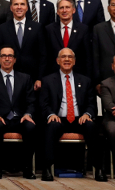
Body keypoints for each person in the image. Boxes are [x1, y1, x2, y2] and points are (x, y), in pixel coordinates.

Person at [39, 48, 103, 182]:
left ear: (74, 61)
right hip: (59, 118)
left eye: (70, 57)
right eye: (63, 57)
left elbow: (92, 104)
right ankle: (47, 168)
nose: (66, 60)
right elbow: (43, 104)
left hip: (79, 119)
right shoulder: (48, 80)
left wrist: (87, 114)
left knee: (92, 126)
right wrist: (50, 114)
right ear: (58, 61)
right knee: (50, 126)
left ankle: (98, 168)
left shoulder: (85, 80)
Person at [0, 48, 37, 179]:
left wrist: (28, 114)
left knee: (31, 127)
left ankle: (27, 169)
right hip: (0, 118)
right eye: (4, 56)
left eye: (10, 56)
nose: (7, 59)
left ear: (14, 59)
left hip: (20, 118)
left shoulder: (25, 78)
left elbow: (31, 102)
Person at [0, 0, 47, 87]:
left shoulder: (37, 27)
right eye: (16, 4)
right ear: (11, 8)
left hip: (32, 78)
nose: (19, 7)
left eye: (22, 4)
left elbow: (43, 55)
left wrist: (39, 78)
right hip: (9, 78)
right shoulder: (2, 28)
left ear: (27, 7)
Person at [43, 0, 93, 78]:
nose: (64, 10)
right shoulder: (49, 29)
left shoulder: (83, 29)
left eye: (67, 7)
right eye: (61, 8)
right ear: (58, 12)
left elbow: (88, 57)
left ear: (73, 10)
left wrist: (89, 78)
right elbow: (45, 56)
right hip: (54, 76)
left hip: (78, 75)